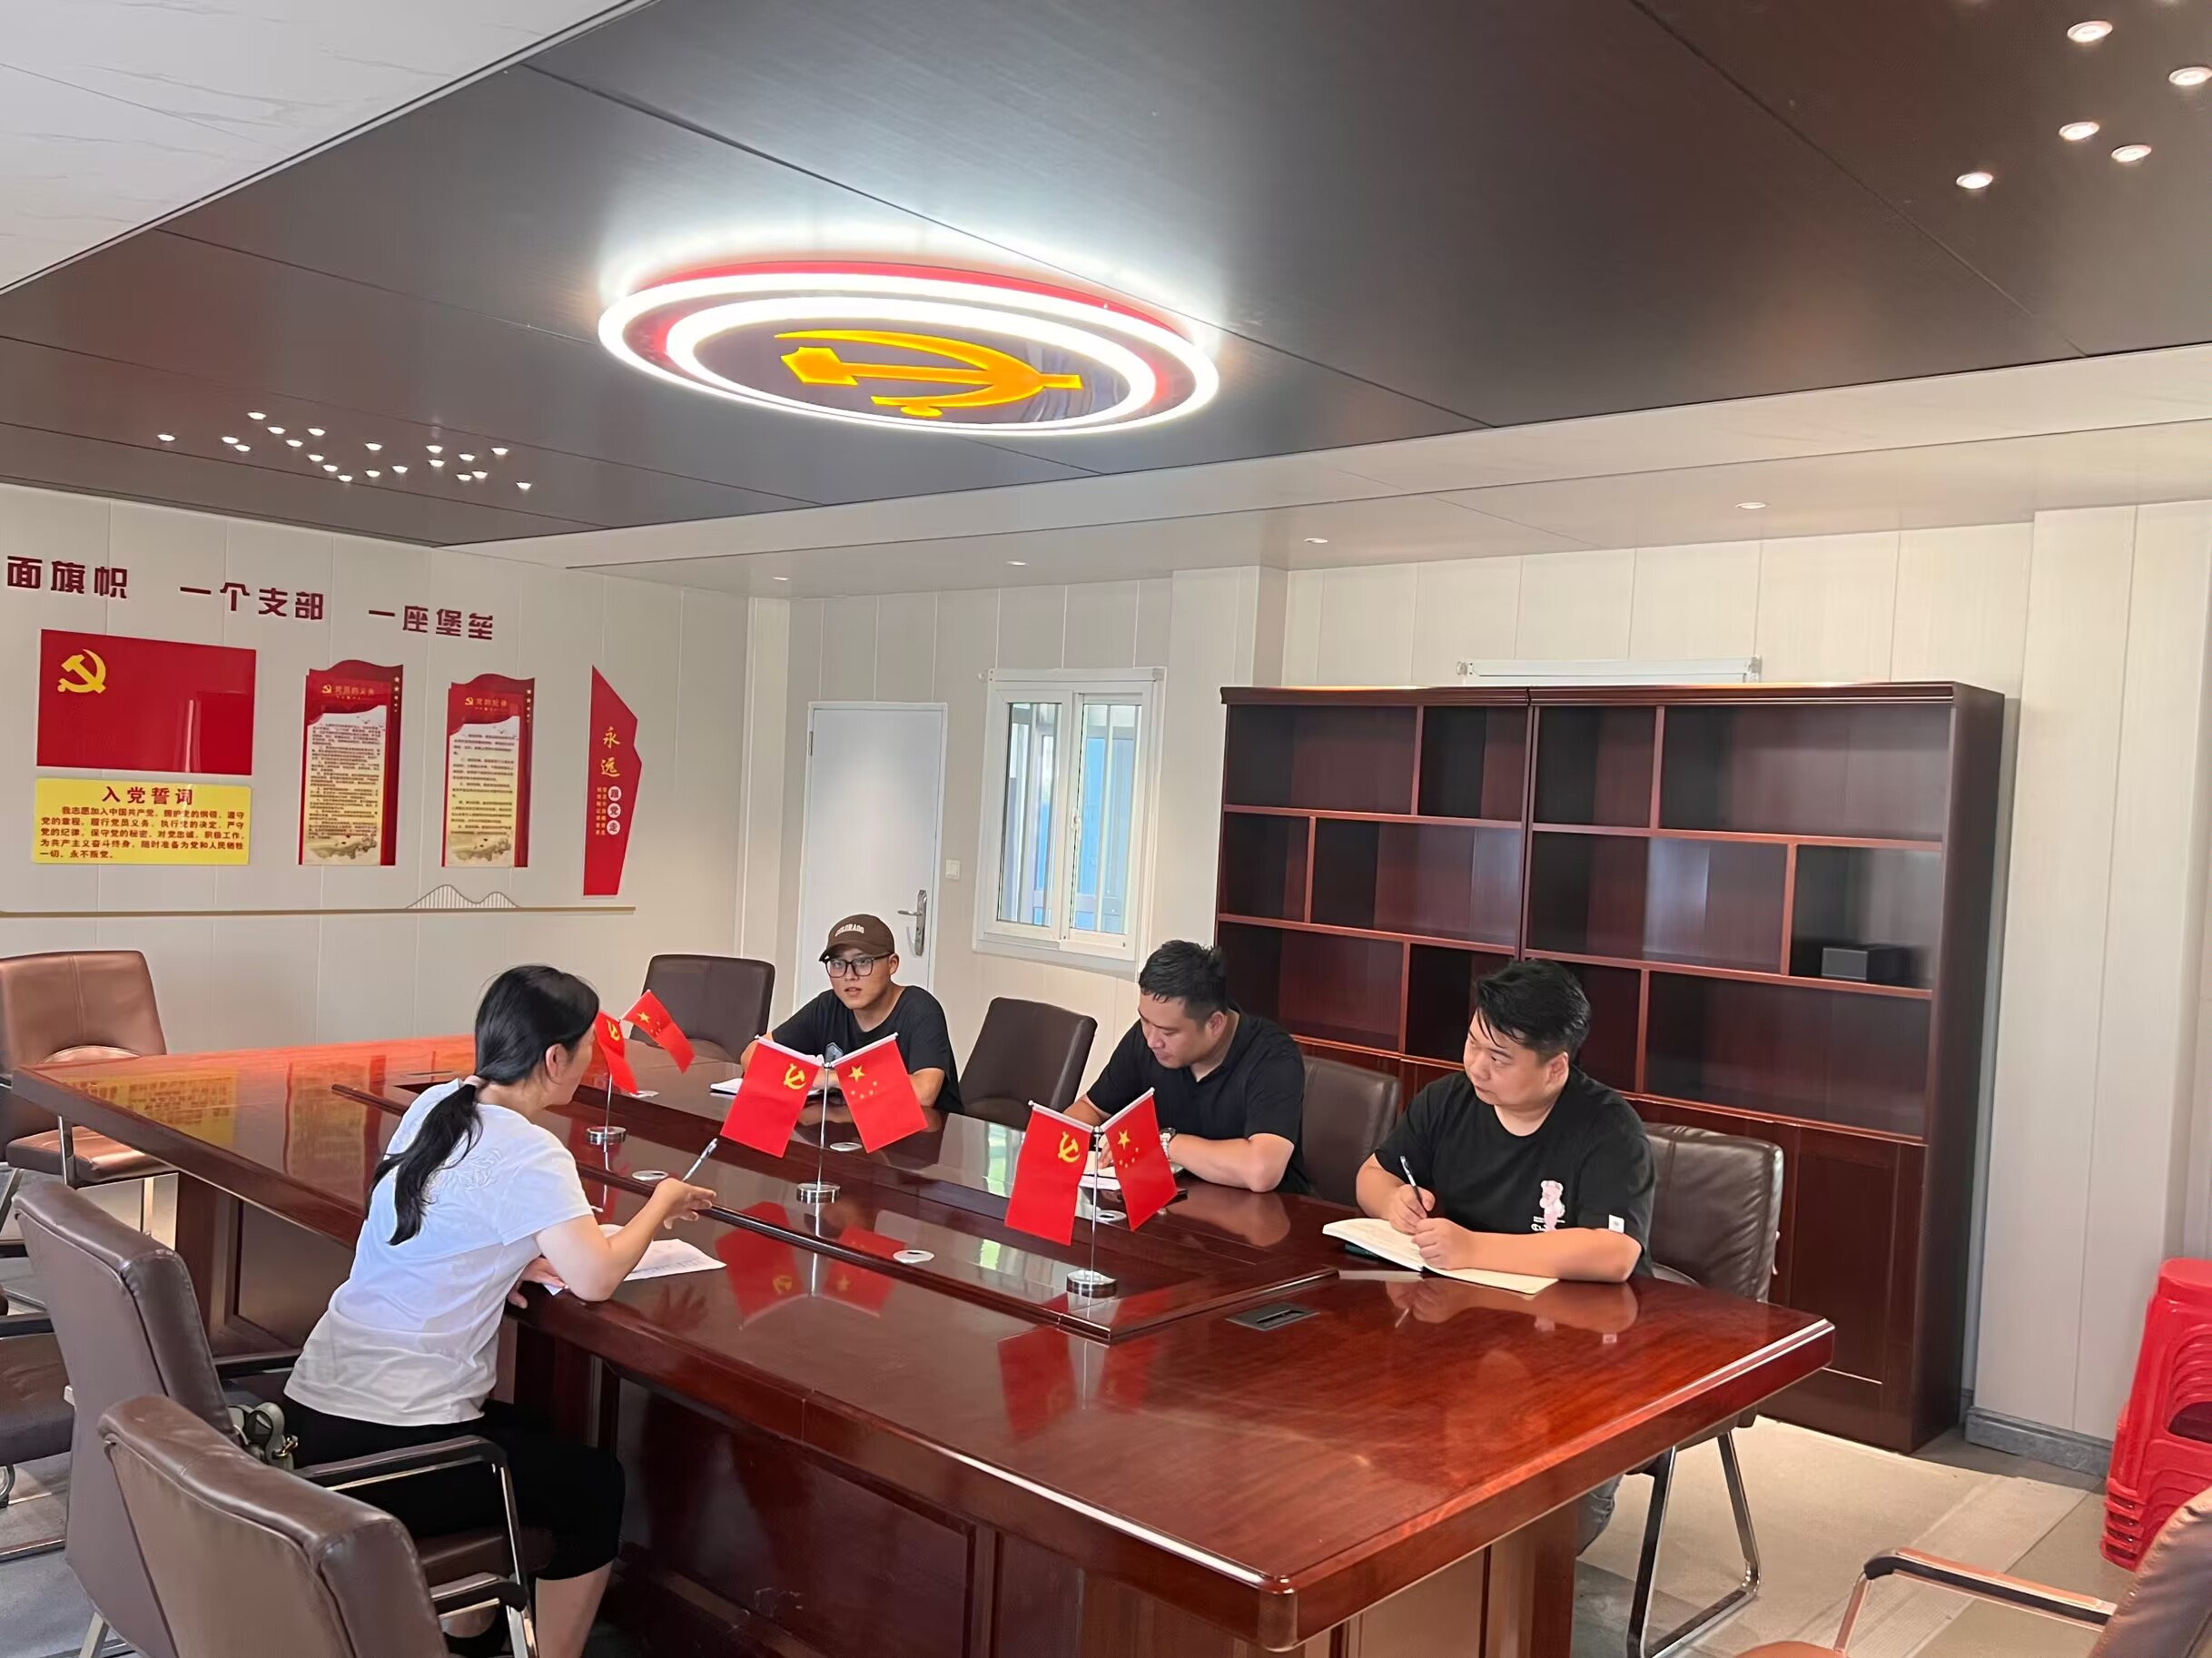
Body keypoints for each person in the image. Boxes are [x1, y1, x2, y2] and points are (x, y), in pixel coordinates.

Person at [283, 965, 716, 1658]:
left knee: (533, 1433)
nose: (594, 1061)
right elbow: (596, 1277)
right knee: (594, 1488)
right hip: (392, 1448)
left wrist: (507, 1260)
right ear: (555, 1059)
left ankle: (465, 1636)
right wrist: (659, 1204)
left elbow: (438, 1224)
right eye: (589, 1048)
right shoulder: (532, 1151)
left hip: (313, 1413)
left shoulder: (438, 1104)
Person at [1354, 958, 1654, 1550]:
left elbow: (1614, 1252)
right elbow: (1372, 1174)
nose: (1476, 1067)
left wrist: (1472, 1248)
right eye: (1472, 1044)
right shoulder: (1449, 1101)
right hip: (1466, 1329)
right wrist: (1394, 1203)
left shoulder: (1607, 1128)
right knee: (1393, 1476)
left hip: (1578, 1348)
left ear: (1555, 1066)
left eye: (1499, 1058)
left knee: (1547, 1533)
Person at [1071, 939, 1310, 1194]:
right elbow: (1090, 1108)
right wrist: (1061, 1145)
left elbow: (1261, 1170)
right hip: (1171, 1204)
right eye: (1145, 1021)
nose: (1152, 1041)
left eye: (1168, 1032)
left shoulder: (1272, 1055)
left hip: (1262, 1213)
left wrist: (1161, 1143)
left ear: (1214, 1024)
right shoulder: (1146, 1038)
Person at [744, 913, 963, 1110]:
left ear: (892, 964)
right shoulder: (829, 1005)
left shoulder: (920, 1010)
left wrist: (834, 1078)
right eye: (838, 963)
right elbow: (752, 1054)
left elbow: (924, 1093)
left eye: (862, 962)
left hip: (929, 1136)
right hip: (851, 1129)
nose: (849, 975)